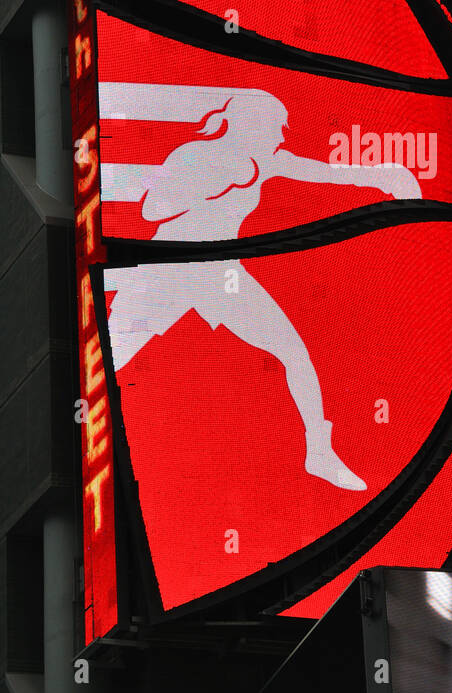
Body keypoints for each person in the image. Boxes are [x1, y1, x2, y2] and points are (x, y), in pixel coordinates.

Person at [106, 91, 421, 491]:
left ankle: (319, 453)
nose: (281, 137)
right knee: (109, 355)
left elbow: (326, 172)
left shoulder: (268, 162)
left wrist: (382, 176)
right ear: (249, 125)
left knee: (293, 351)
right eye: (275, 127)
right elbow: (152, 208)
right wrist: (215, 184)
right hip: (170, 269)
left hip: (220, 275)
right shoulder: (193, 155)